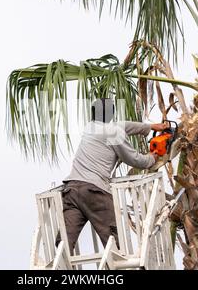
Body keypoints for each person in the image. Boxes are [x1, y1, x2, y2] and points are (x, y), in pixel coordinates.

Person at [57, 98, 170, 252]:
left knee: (64, 242)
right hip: (94, 192)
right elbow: (133, 159)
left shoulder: (90, 128)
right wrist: (152, 157)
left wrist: (150, 127)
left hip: (71, 190)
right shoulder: (114, 132)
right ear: (111, 114)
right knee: (113, 242)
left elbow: (123, 125)